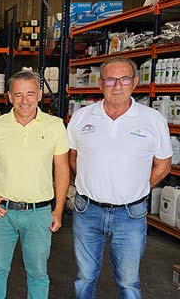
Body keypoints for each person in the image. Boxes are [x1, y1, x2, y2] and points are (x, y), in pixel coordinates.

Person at [67, 57, 172, 298]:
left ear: (134, 82)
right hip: (87, 210)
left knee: (128, 281)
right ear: (100, 83)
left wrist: (137, 189)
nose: (117, 86)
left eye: (124, 79)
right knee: (85, 277)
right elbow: (73, 157)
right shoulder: (82, 117)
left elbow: (163, 165)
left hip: (130, 214)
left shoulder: (152, 120)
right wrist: (89, 181)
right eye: (111, 79)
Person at [0, 70, 69, 299]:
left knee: (38, 272)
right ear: (9, 97)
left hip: (39, 212)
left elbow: (62, 169)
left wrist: (58, 210)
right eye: (18, 94)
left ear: (39, 95)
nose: (24, 100)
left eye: (30, 93)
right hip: (1, 212)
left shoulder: (55, 125)